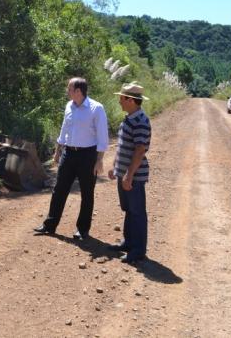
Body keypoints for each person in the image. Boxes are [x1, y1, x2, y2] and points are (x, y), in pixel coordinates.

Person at [34, 77, 109, 240]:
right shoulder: (69, 106)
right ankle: (49, 225)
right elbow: (64, 128)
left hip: (88, 155)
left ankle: (82, 230)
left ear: (78, 91)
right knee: (59, 189)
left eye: (69, 89)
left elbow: (103, 136)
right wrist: (57, 150)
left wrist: (99, 160)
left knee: (87, 193)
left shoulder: (97, 108)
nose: (67, 91)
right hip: (68, 153)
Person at [108, 82, 151, 264]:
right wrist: (115, 165)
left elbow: (140, 150)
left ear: (131, 100)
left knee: (137, 212)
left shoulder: (140, 120)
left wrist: (129, 175)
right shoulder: (129, 118)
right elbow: (123, 145)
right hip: (124, 172)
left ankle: (138, 250)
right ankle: (128, 242)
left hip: (133, 176)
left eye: (122, 98)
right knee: (129, 209)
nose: (119, 101)